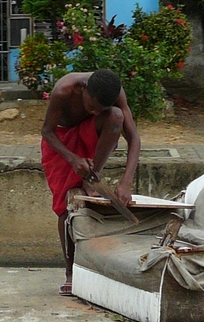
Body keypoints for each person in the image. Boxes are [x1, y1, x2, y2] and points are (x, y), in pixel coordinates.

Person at [40, 68, 141, 295]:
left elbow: (133, 137)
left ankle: (92, 175)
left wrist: (126, 181)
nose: (94, 111)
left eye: (99, 110)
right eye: (91, 107)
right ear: (81, 89)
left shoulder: (115, 94)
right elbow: (47, 131)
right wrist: (73, 158)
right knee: (65, 206)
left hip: (91, 142)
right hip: (61, 145)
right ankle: (70, 272)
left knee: (116, 116)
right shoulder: (64, 89)